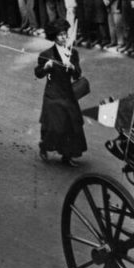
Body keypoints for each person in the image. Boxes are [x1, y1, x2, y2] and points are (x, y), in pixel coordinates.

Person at [35, 19, 87, 167]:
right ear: (54, 37)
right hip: (53, 94)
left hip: (68, 93)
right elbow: (38, 73)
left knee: (72, 125)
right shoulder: (46, 54)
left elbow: (77, 75)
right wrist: (46, 67)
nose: (64, 37)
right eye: (60, 35)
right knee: (55, 126)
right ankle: (44, 146)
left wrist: (72, 67)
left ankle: (67, 155)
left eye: (65, 34)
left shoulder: (73, 53)